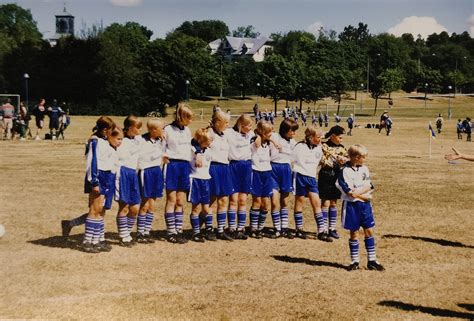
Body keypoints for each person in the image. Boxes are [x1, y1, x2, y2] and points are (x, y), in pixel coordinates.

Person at [61, 116, 117, 238]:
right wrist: (94, 181)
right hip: (97, 177)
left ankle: (73, 226)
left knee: (100, 210)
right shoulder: (95, 141)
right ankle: (89, 240)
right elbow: (92, 162)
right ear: (106, 129)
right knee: (94, 209)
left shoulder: (106, 141)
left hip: (107, 177)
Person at [336, 144, 385, 271]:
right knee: (354, 233)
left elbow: (370, 186)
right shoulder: (344, 171)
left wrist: (359, 194)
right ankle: (354, 261)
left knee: (369, 231)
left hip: (365, 207)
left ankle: (372, 260)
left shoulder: (364, 169)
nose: (365, 159)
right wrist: (364, 196)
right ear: (356, 157)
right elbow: (349, 192)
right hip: (351, 206)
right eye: (363, 157)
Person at [163, 103, 193, 243]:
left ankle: (179, 229)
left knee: (180, 201)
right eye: (188, 118)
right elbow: (160, 146)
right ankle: (171, 231)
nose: (190, 121)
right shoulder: (167, 129)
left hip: (184, 165)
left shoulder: (187, 131)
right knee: (171, 199)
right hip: (172, 165)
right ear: (181, 116)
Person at [292, 126, 329, 241]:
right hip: (300, 176)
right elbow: (293, 161)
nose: (320, 139)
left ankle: (321, 231)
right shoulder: (300, 146)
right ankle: (299, 229)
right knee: (299, 201)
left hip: (312, 178)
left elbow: (317, 162)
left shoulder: (320, 148)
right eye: (318, 137)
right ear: (310, 137)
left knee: (316, 203)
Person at [115, 116, 143, 246]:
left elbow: (152, 133)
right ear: (130, 127)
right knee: (125, 206)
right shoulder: (120, 139)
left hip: (133, 173)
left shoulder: (138, 139)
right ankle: (124, 236)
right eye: (137, 127)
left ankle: (128, 232)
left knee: (135, 207)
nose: (139, 130)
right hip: (123, 172)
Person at [138, 118, 166, 244]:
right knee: (145, 202)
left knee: (153, 202)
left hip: (156, 171)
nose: (164, 131)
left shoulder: (160, 140)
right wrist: (161, 154)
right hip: (146, 171)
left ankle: (147, 231)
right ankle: (140, 232)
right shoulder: (142, 140)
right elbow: (146, 156)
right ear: (154, 130)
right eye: (162, 128)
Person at [269, 119, 298, 238]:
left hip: (286, 170)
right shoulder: (274, 136)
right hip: (273, 169)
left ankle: (284, 228)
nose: (293, 133)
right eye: (292, 131)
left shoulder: (293, 143)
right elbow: (262, 134)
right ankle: (277, 228)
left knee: (285, 201)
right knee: (274, 201)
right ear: (285, 129)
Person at [318, 125, 348, 240]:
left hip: (336, 176)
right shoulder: (323, 146)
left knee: (334, 203)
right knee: (325, 203)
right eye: (339, 137)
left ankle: (332, 228)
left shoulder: (342, 148)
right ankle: (324, 228)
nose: (341, 140)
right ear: (333, 136)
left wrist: (343, 161)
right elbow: (321, 159)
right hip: (325, 175)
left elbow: (346, 160)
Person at [208, 111, 234, 241]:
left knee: (223, 200)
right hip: (213, 168)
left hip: (225, 168)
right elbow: (196, 143)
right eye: (226, 123)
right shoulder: (209, 133)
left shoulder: (225, 135)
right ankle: (208, 228)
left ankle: (221, 229)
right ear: (218, 123)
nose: (228, 125)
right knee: (211, 200)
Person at [227, 114, 253, 240]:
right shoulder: (229, 133)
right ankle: (231, 227)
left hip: (246, 166)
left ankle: (240, 228)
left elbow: (262, 133)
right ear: (240, 125)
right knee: (233, 199)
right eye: (248, 125)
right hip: (234, 166)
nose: (250, 128)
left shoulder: (252, 134)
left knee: (243, 199)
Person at [248, 121, 274, 238]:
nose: (271, 134)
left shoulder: (269, 142)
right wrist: (258, 135)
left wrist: (271, 140)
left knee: (266, 203)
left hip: (267, 173)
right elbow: (256, 142)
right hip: (256, 172)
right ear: (262, 132)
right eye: (268, 132)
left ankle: (260, 227)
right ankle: (253, 228)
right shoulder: (254, 140)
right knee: (256, 201)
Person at [189, 128, 214, 242]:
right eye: (209, 139)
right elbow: (192, 141)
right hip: (195, 180)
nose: (211, 140)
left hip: (206, 180)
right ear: (203, 140)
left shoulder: (209, 150)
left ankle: (208, 230)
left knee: (206, 208)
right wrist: (197, 151)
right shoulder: (193, 149)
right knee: (196, 207)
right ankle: (196, 233)